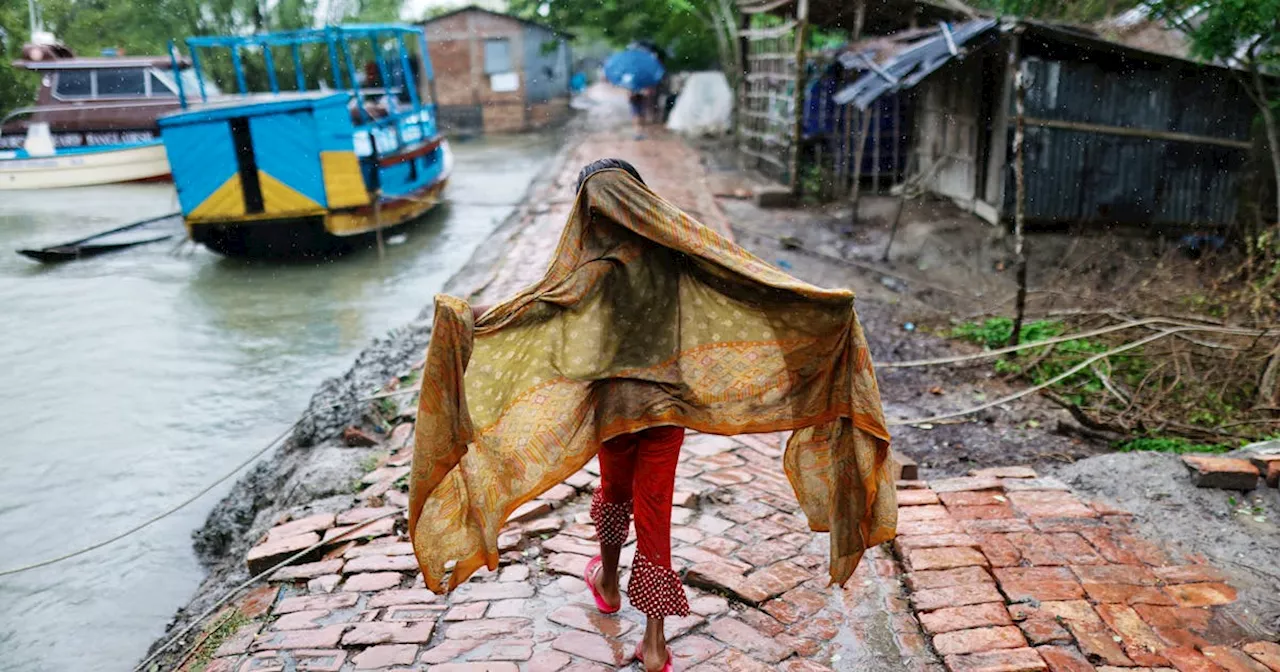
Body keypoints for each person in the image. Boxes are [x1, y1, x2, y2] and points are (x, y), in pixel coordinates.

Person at [410, 159, 896, 672]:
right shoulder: (679, 253)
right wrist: (824, 305)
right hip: (666, 411)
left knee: (615, 494)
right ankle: (656, 643)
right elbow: (747, 279)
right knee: (655, 513)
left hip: (614, 413)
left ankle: (610, 583)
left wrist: (465, 319)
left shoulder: (591, 270)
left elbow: (534, 310)